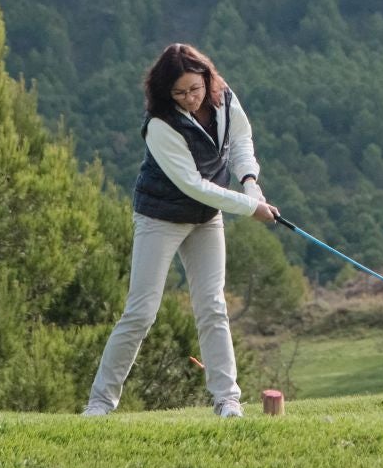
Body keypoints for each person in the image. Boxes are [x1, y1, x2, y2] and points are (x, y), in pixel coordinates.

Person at [84, 43, 279, 417]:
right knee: (141, 312)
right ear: (164, 93)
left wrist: (251, 184)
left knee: (213, 306)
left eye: (195, 89)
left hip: (206, 218)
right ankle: (99, 404)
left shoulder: (224, 97)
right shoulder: (160, 124)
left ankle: (227, 401)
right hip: (160, 218)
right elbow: (193, 185)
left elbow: (240, 141)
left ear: (207, 79)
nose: (190, 98)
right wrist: (249, 207)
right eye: (179, 93)